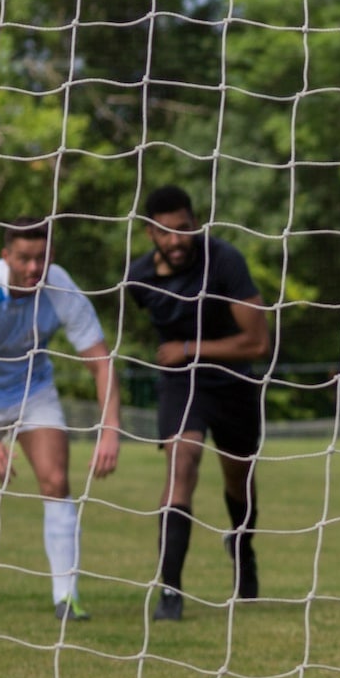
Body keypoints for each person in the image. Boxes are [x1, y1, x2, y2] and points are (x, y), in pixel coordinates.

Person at [0, 215, 121, 622]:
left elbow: (101, 362)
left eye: (41, 258)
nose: (33, 268)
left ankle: (66, 596)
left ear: (51, 255)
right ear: (7, 257)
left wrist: (110, 430)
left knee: (56, 481)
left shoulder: (61, 288)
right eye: (23, 259)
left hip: (34, 392)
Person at [124, 185, 271, 621]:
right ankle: (170, 591)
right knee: (181, 461)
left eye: (184, 229)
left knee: (238, 479)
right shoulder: (138, 279)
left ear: (196, 224)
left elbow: (258, 342)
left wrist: (190, 348)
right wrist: (183, 357)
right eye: (165, 232)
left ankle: (242, 547)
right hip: (181, 384)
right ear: (150, 233)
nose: (176, 240)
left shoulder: (225, 260)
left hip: (234, 382)